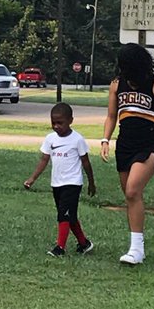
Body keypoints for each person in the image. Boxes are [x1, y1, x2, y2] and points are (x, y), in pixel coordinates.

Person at [100, 43, 154, 265]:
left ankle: (136, 250)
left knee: (132, 189)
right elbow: (111, 116)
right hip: (125, 143)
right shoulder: (117, 86)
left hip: (148, 143)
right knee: (131, 197)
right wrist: (105, 139)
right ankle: (136, 248)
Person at [24, 102, 96, 258]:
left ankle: (60, 248)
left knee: (63, 215)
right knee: (69, 216)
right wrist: (32, 179)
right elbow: (44, 160)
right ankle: (84, 243)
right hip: (57, 183)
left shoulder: (77, 139)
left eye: (60, 123)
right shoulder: (50, 139)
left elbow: (86, 162)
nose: (56, 126)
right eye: (53, 123)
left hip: (72, 183)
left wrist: (91, 182)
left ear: (71, 120)